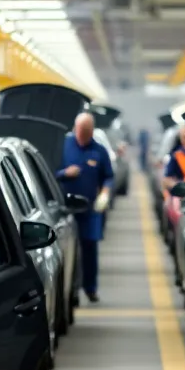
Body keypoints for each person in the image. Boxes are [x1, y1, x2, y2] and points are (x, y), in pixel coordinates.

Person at [57, 112, 114, 303]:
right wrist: (65, 173)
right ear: (75, 129)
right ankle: (72, 290)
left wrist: (105, 193)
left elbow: (108, 176)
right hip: (67, 209)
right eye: (81, 131)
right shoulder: (63, 146)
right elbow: (50, 171)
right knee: (70, 250)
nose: (83, 136)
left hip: (90, 209)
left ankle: (90, 288)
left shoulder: (99, 151)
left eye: (87, 132)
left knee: (90, 248)